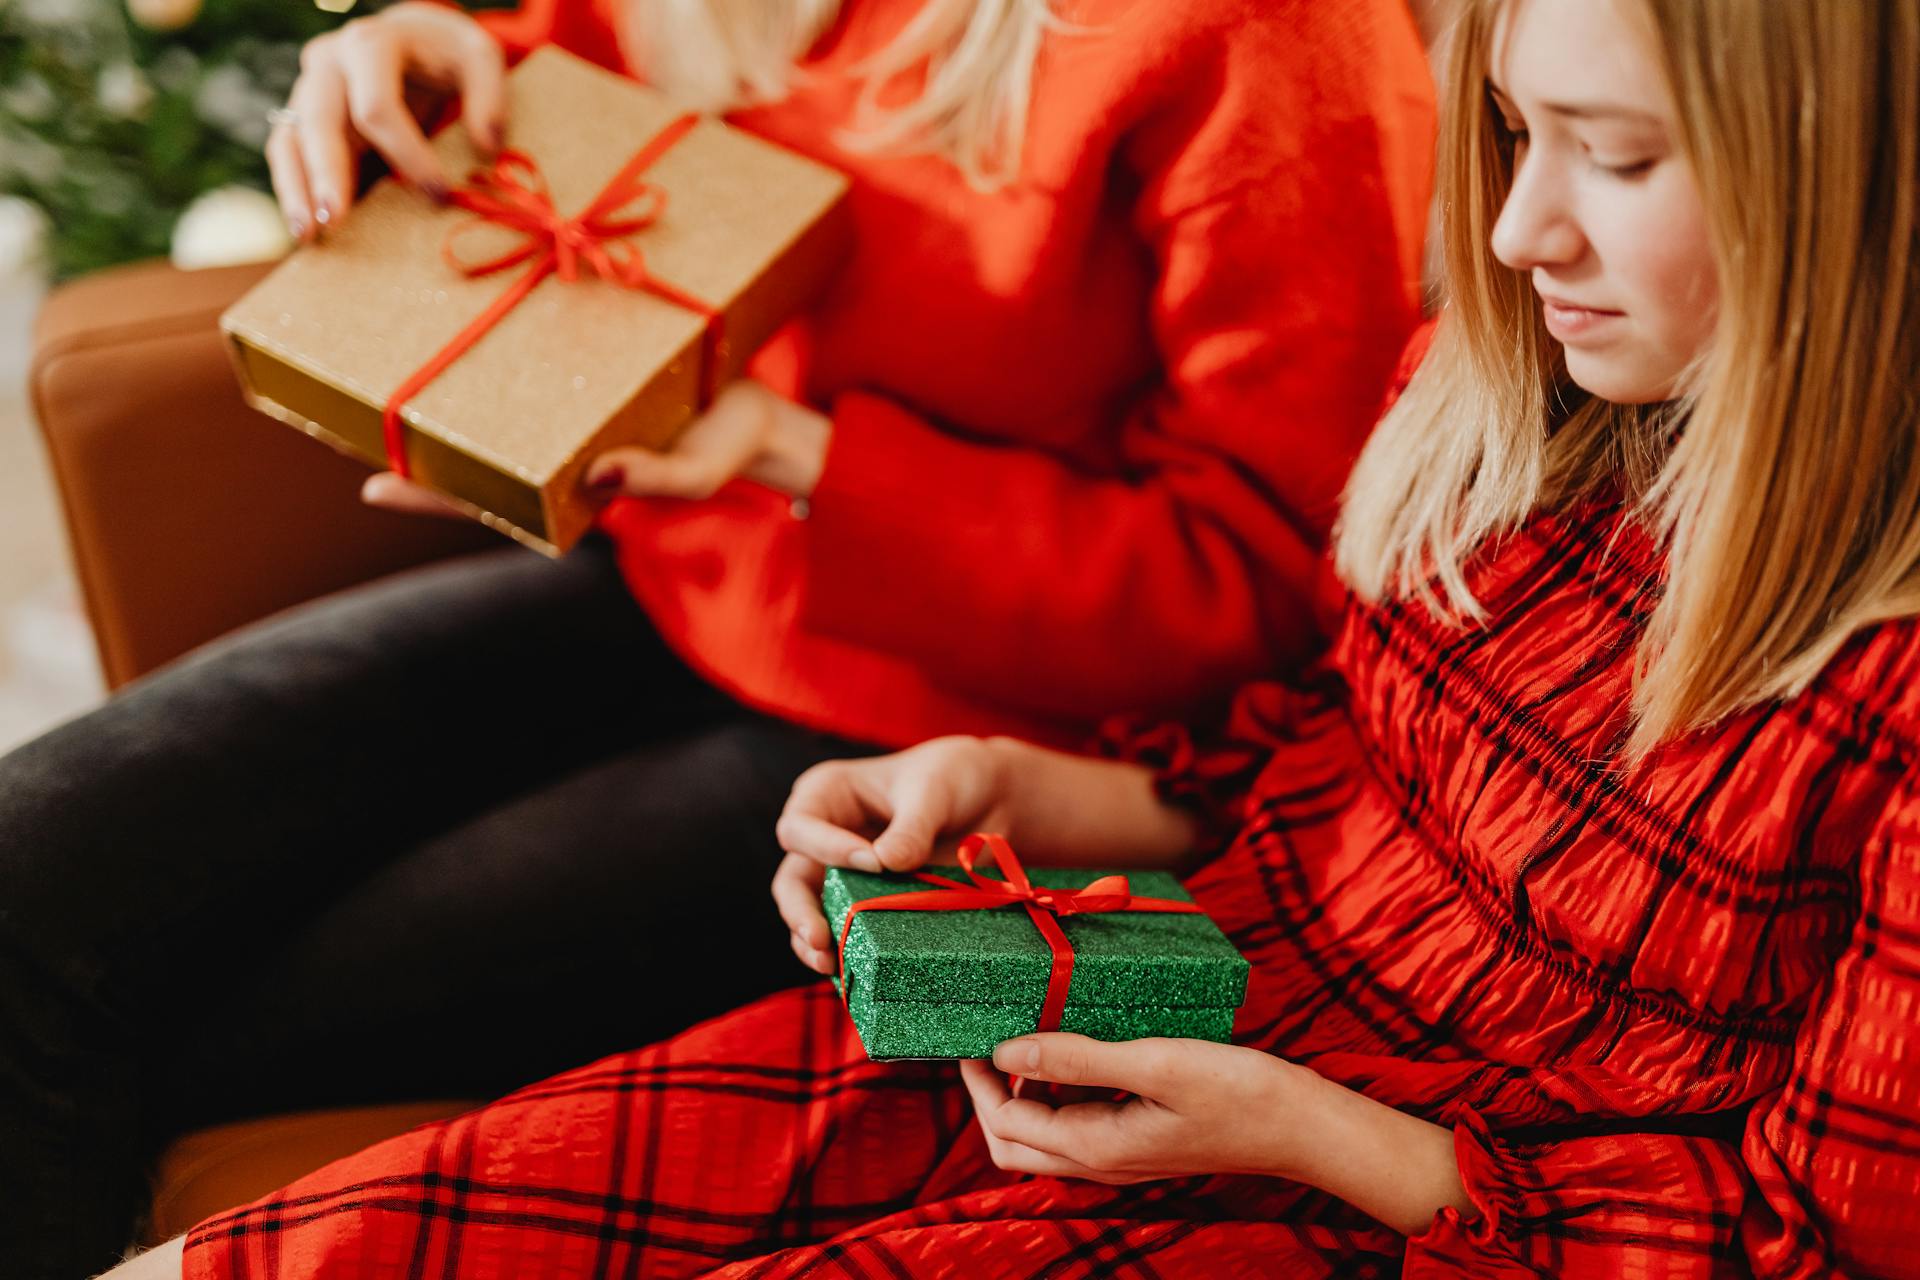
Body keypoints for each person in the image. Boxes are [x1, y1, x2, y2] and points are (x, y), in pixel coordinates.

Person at [110, 0, 1920, 1274]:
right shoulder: (1525, 413)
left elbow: (1814, 1236)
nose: (1514, 232)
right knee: (365, 1220)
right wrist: (1036, 795)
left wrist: (1306, 1133)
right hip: (1162, 941)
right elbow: (1332, 762)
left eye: (1609, 158)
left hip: (1406, 1171)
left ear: (1845, 188)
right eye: (1515, 134)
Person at [0, 1, 1436, 1276]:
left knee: (182, 1017)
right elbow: (609, 106)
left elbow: (1264, 593)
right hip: (674, 579)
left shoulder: (1263, 34)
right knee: (31, 859)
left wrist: (802, 452)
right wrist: (457, 57)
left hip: (967, 749)